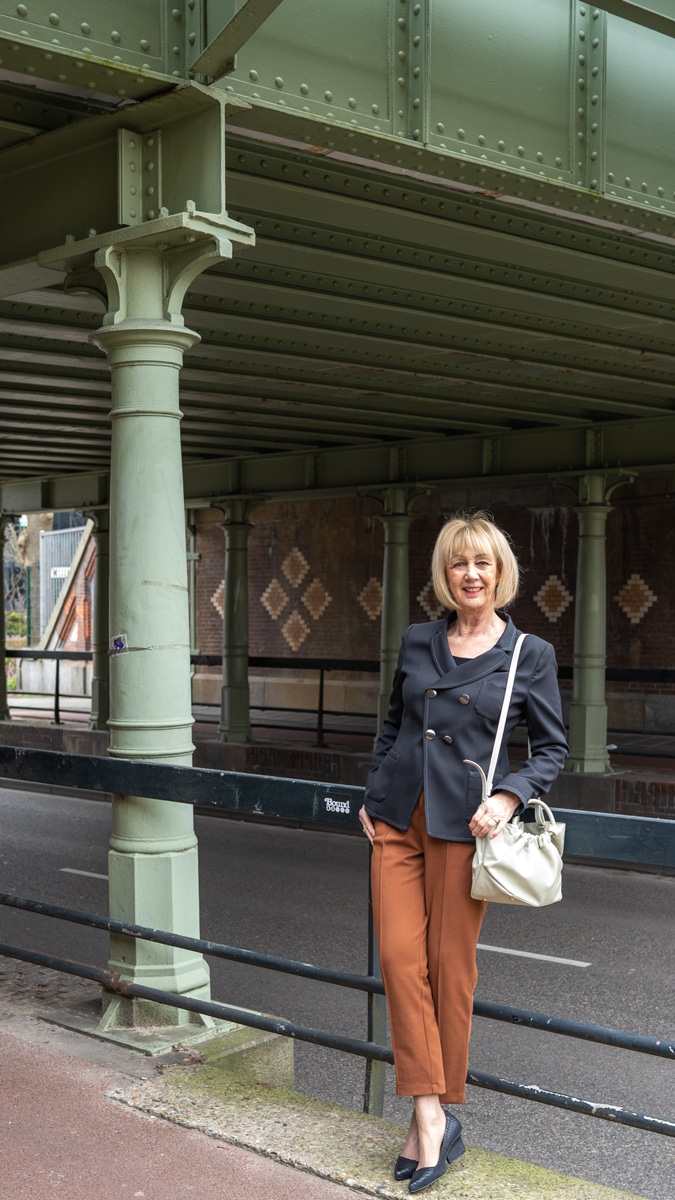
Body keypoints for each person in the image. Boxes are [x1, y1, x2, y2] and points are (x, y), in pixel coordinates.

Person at [359, 511, 568, 1194]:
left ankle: (436, 1116)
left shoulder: (526, 653)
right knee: (398, 959)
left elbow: (551, 749)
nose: (469, 574)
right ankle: (429, 1113)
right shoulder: (418, 640)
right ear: (443, 575)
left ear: (500, 572)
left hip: (465, 826)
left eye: (481, 562)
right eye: (457, 563)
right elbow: (394, 723)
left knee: (449, 970)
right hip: (397, 819)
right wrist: (372, 792)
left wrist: (508, 796)